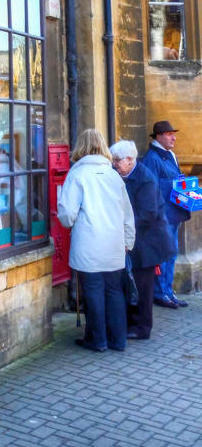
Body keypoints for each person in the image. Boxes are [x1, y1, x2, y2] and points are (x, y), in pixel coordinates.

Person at [57, 128, 135, 352]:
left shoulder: (77, 174)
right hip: (114, 244)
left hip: (88, 243)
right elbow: (127, 213)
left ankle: (97, 340)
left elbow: (67, 214)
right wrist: (128, 242)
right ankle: (118, 340)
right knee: (114, 291)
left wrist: (69, 222)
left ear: (80, 147)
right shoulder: (114, 175)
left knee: (92, 291)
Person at [110, 140, 174, 340]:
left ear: (130, 160)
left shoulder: (145, 179)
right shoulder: (122, 175)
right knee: (132, 285)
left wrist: (122, 229)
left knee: (143, 288)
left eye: (117, 161)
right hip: (135, 241)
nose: (114, 164)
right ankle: (132, 323)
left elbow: (147, 215)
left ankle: (142, 328)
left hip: (148, 243)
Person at [140, 121, 189, 308]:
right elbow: (149, 190)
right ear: (159, 137)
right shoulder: (152, 158)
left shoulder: (171, 155)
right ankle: (160, 293)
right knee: (163, 255)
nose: (174, 137)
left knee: (172, 254)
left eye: (173, 134)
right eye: (169, 134)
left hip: (174, 214)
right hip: (162, 217)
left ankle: (168, 291)